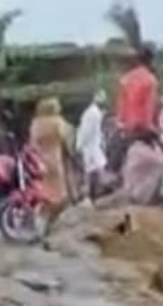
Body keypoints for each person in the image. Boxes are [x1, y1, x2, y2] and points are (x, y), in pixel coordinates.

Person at [109, 43, 160, 171]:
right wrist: (156, 132)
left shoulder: (124, 80)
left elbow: (120, 113)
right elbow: (148, 115)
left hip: (125, 133)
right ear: (151, 60)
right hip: (142, 133)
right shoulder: (150, 80)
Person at [28, 97, 73, 234]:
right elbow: (67, 140)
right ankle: (53, 225)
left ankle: (41, 224)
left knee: (44, 194)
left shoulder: (35, 123)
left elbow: (32, 143)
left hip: (39, 162)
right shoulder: (58, 122)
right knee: (61, 196)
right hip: (55, 161)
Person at [75, 89, 107, 200]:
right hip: (90, 146)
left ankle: (95, 193)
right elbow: (86, 131)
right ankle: (91, 194)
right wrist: (80, 145)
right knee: (93, 170)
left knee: (95, 168)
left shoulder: (95, 112)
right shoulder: (92, 113)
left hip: (93, 145)